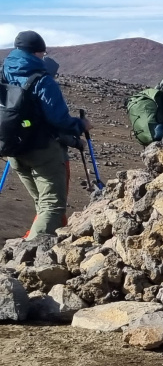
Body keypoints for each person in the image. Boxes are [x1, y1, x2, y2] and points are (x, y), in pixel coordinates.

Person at [2, 32, 87, 240]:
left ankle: (33, 248)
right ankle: (30, 253)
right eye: (43, 52)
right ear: (37, 52)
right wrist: (80, 125)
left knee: (41, 202)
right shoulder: (42, 80)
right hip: (43, 150)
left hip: (13, 149)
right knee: (52, 205)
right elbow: (59, 119)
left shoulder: (4, 73)